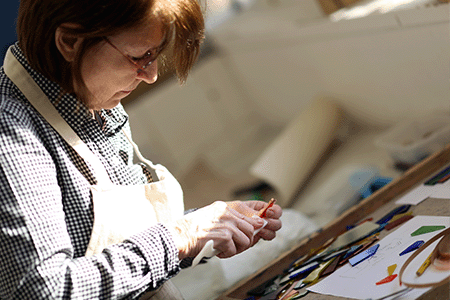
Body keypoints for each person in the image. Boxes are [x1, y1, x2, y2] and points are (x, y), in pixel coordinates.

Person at [0, 0, 282, 299]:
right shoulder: (11, 133)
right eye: (139, 57)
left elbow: (116, 245)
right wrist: (180, 237)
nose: (150, 76)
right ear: (70, 41)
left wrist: (211, 228)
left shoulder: (89, 99)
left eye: (154, 56)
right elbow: (42, 291)